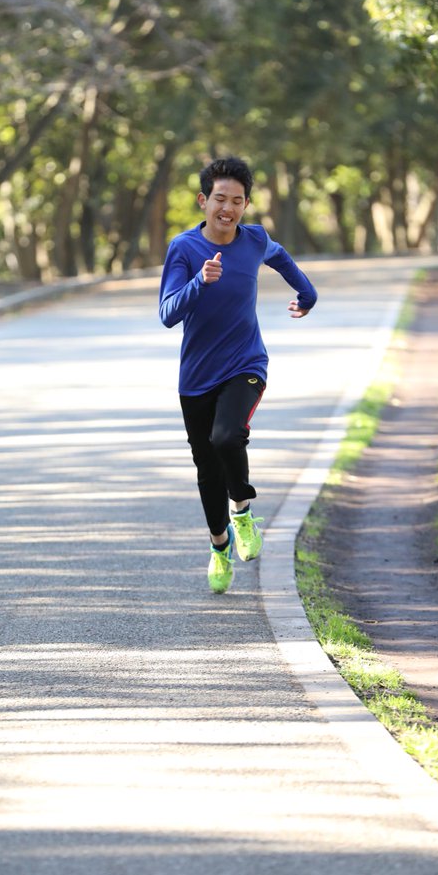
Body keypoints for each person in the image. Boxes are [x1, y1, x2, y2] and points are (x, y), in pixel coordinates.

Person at [159, 155, 317, 593]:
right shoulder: (185, 249)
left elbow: (282, 259)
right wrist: (199, 283)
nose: (227, 209)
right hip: (196, 377)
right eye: (219, 199)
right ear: (203, 201)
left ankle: (243, 510)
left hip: (246, 363)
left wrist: (308, 294)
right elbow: (168, 314)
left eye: (237, 201)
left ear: (246, 205)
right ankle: (219, 545)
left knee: (227, 437)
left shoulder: (254, 239)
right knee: (207, 469)